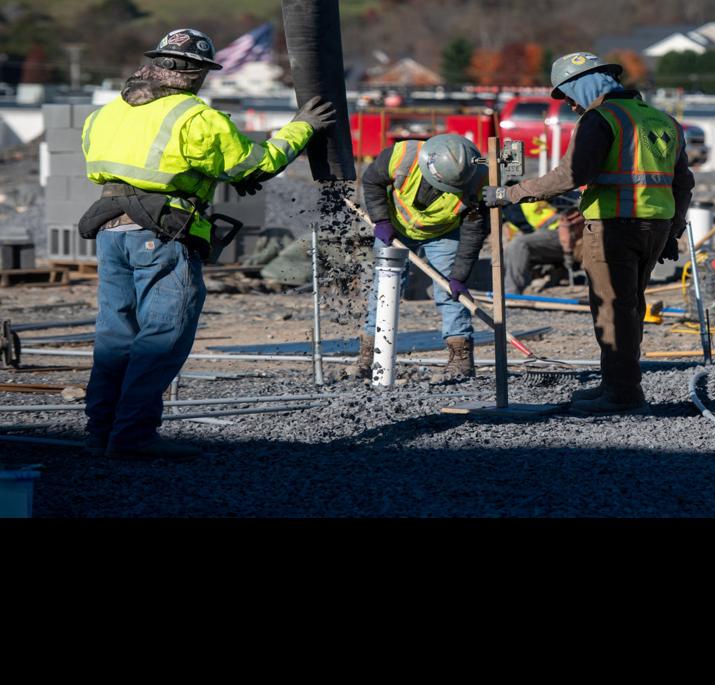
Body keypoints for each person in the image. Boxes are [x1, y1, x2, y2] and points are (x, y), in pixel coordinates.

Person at [77, 27, 336, 461]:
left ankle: (100, 431)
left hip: (110, 232)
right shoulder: (195, 117)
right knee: (163, 334)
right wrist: (301, 128)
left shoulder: (106, 113)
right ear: (196, 73)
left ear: (156, 64)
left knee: (115, 336)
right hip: (160, 235)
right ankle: (134, 435)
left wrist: (208, 175)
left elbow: (139, 166)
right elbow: (258, 163)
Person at [483, 51, 694, 415]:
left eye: (566, 94)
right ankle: (617, 384)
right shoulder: (662, 120)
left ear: (583, 83)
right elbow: (683, 183)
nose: (568, 103)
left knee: (612, 310)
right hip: (654, 227)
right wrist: (673, 231)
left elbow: (570, 175)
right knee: (629, 308)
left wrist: (509, 194)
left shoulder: (602, 118)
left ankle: (623, 395)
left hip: (614, 227)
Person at [352, 133, 492, 381]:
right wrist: (381, 219)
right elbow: (372, 181)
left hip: (443, 233)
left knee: (451, 293)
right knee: (383, 289)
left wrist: (459, 276)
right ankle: (371, 355)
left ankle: (460, 358)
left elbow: (473, 232)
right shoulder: (403, 155)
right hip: (394, 229)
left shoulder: (478, 182)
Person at [504, 193, 582, 294]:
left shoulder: (529, 192)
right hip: (542, 236)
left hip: (557, 231)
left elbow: (566, 195)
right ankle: (545, 276)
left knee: (518, 244)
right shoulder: (507, 210)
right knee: (511, 249)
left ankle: (511, 293)